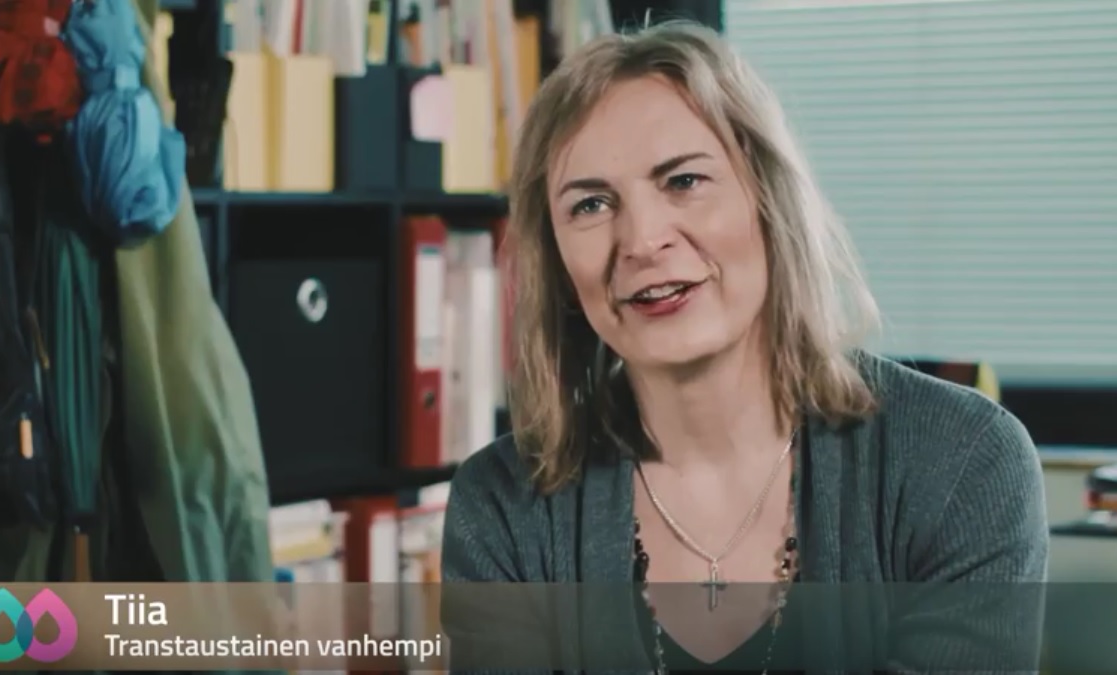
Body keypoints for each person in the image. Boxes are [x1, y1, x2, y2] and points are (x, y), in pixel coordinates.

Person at [439, 19, 1048, 675]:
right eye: (589, 204)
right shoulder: (502, 505)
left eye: (683, 181)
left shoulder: (962, 463)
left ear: (768, 198)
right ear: (557, 261)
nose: (641, 240)